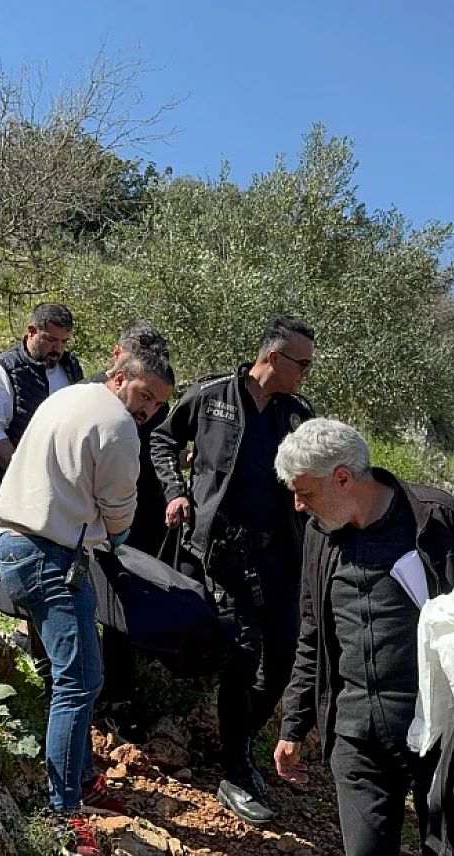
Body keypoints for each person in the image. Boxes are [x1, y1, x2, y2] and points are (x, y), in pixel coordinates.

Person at [272, 418, 454, 856]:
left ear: (343, 479)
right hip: (354, 735)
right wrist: (294, 724)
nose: (299, 506)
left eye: (306, 493)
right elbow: (313, 631)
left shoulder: (435, 519)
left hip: (438, 736)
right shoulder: (317, 535)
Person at [0, 348, 174, 856]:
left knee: (65, 677)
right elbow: (119, 506)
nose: (148, 411)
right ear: (120, 378)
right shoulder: (116, 424)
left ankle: (84, 780)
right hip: (52, 555)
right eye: (145, 396)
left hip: (15, 543)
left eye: (157, 404)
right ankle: (63, 813)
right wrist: (117, 539)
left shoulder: (66, 397)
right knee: (80, 681)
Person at [150, 315, 316, 826]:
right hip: (222, 553)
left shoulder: (298, 413)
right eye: (301, 364)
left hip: (281, 557)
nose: (306, 374)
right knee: (244, 656)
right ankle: (234, 768)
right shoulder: (212, 395)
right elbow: (162, 440)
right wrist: (176, 492)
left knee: (284, 659)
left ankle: (240, 740)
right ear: (273, 358)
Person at [84, 319, 172, 744]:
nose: (148, 406)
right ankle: (85, 690)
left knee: (125, 608)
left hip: (145, 516)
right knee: (89, 602)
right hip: (96, 517)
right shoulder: (88, 397)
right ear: (119, 359)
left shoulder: (160, 407)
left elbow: (164, 450)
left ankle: (120, 696)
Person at [0, 302, 84, 509]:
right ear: (32, 331)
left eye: (64, 341)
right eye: (51, 340)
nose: (58, 349)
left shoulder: (70, 367)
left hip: (57, 490)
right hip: (8, 488)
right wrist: (22, 473)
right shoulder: (3, 369)